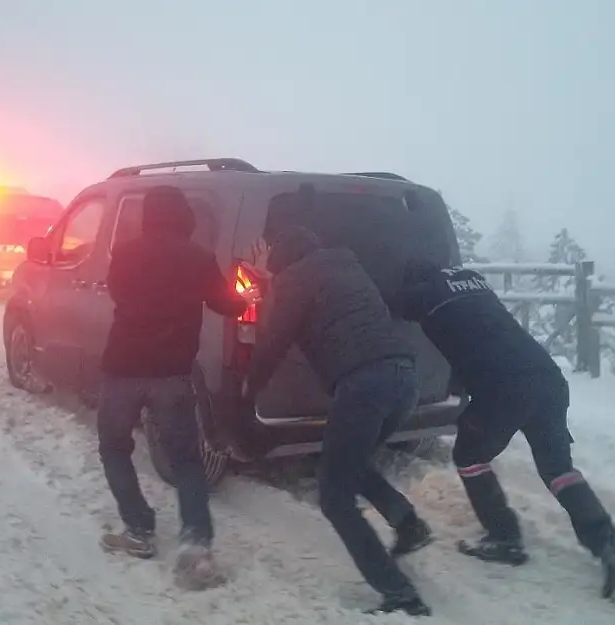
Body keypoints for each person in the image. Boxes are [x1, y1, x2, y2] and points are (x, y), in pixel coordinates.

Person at [391, 261, 615, 599]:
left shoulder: (425, 292)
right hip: (548, 378)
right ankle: (611, 546)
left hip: (504, 387)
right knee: (557, 469)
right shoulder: (471, 279)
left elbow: (390, 303)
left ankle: (504, 537)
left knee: (468, 454)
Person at [243, 225, 433, 616]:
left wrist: (247, 393)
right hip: (404, 378)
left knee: (334, 495)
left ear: (282, 258)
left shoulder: (295, 279)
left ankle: (398, 593)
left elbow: (273, 342)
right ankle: (408, 523)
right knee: (351, 461)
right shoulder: (348, 266)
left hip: (365, 384)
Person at [97, 185, 257, 590]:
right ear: (184, 215)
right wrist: (250, 291)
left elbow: (116, 291)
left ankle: (138, 531)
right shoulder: (199, 257)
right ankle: (196, 546)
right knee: (186, 461)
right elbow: (227, 304)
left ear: (149, 215)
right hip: (172, 374)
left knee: (114, 448)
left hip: (123, 370)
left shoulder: (126, 251)